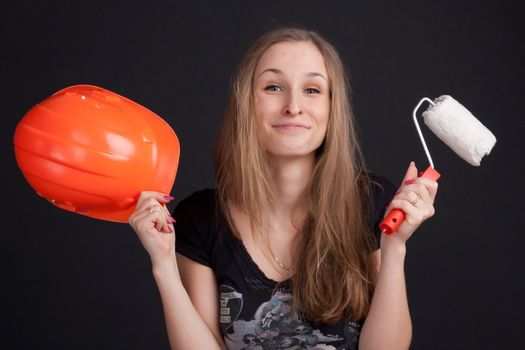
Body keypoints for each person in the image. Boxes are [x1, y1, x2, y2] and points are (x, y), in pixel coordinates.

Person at [129, 25, 438, 350]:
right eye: (274, 87)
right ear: (247, 103)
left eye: (312, 90)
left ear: (333, 108)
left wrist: (394, 250)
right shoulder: (201, 218)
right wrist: (163, 266)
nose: (293, 106)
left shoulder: (371, 202)